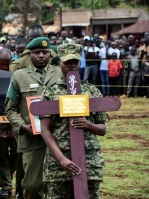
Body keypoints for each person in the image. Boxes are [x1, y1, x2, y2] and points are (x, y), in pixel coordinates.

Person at [40, 43, 106, 199]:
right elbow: (45, 130)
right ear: (59, 64)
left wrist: (88, 125)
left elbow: (102, 129)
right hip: (58, 160)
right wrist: (62, 160)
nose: (71, 65)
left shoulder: (92, 91)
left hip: (89, 159)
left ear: (80, 63)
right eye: (67, 62)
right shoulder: (50, 92)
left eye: (74, 62)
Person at [5, 37, 63, 199]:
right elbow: (10, 109)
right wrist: (23, 127)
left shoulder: (60, 72)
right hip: (32, 140)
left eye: (45, 52)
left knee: (57, 185)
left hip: (59, 137)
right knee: (32, 185)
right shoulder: (18, 76)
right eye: (37, 52)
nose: (41, 55)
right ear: (29, 55)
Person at [0, 48, 18, 198]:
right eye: (2, 65)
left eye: (8, 65)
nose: (5, 68)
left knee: (19, 152)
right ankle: (5, 187)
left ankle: (15, 184)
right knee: (2, 153)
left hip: (16, 118)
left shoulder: (18, 70)